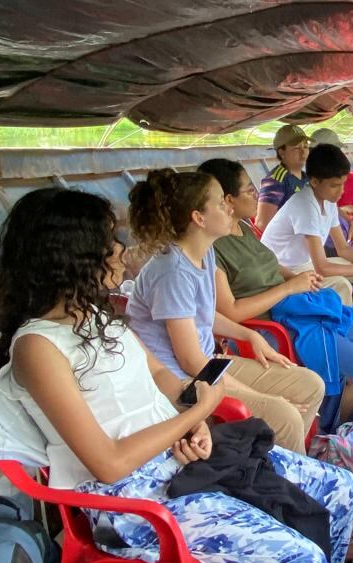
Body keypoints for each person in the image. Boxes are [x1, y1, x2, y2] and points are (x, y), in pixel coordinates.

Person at [0, 187, 353, 563]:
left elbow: (162, 376)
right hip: (130, 502)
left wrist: (190, 414)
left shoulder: (99, 320)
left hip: (174, 463)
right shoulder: (38, 347)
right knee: (299, 561)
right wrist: (200, 413)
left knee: (340, 488)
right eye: (107, 242)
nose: (119, 250)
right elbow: (109, 463)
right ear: (69, 257)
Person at [198, 157, 353, 430]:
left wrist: (295, 278)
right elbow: (231, 312)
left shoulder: (244, 228)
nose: (256, 194)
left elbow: (271, 264)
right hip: (276, 325)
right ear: (228, 200)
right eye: (249, 189)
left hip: (299, 306)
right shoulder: (213, 248)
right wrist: (288, 287)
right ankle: (343, 433)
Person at [126, 169, 325, 453]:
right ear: (199, 218)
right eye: (221, 203)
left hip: (207, 363)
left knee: (310, 385)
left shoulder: (204, 252)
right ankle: (274, 477)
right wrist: (260, 397)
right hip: (180, 382)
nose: (229, 207)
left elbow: (202, 316)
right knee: (284, 415)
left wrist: (249, 336)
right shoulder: (172, 272)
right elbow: (190, 360)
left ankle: (268, 460)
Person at [261, 143, 353, 308]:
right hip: (283, 271)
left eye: (343, 183)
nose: (340, 191)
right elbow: (322, 267)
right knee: (341, 285)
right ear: (314, 181)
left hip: (305, 265)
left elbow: (344, 249)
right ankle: (346, 329)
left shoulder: (328, 201)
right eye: (334, 185)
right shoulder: (305, 205)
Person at [255, 123, 309, 231]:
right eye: (297, 148)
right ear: (282, 152)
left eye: (306, 146)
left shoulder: (307, 178)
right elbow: (263, 224)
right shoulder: (275, 181)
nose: (303, 152)